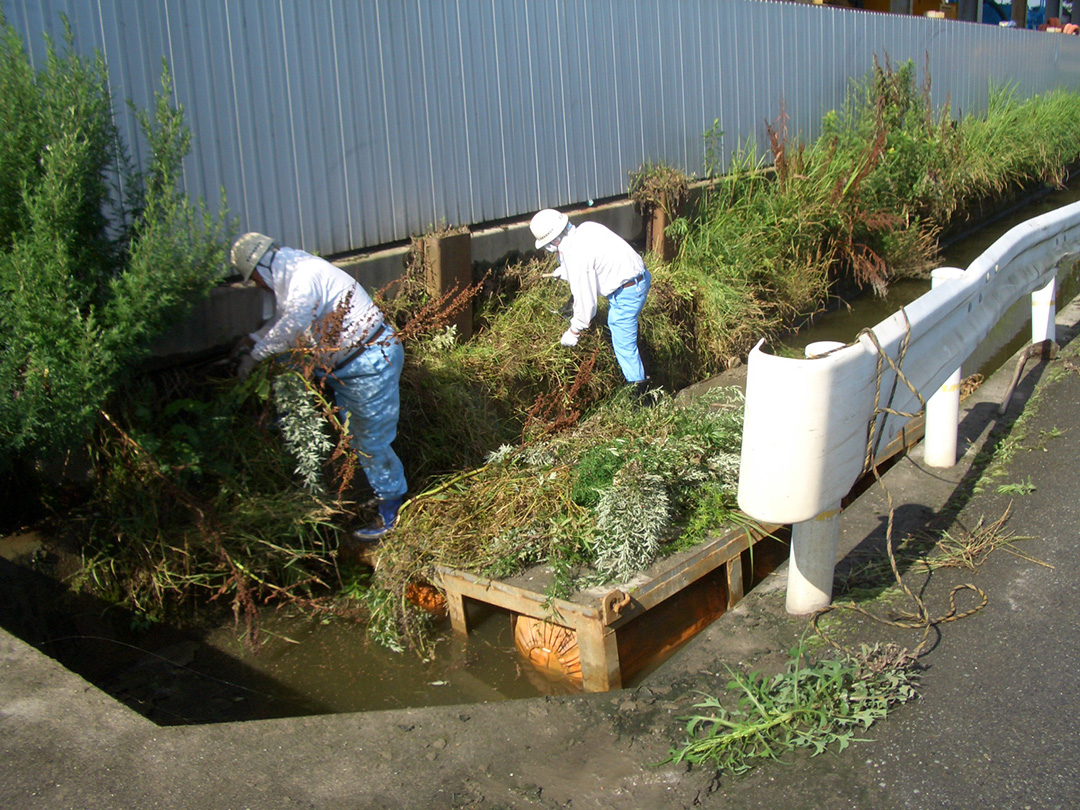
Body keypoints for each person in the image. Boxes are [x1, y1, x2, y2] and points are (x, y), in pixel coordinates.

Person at [230, 232, 407, 541]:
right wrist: (254, 339)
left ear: (260, 268)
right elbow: (282, 321)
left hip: (371, 359)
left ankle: (393, 512)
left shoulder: (304, 275)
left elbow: (292, 327)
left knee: (370, 441)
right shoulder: (292, 276)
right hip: (351, 365)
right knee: (358, 438)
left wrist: (254, 356)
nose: (259, 286)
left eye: (256, 280)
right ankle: (380, 495)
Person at [529, 209, 652, 395]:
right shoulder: (587, 228)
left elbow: (587, 303)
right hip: (639, 276)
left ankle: (641, 395)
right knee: (620, 331)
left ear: (554, 241)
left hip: (628, 291)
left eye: (548, 245)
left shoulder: (577, 255)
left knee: (623, 342)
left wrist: (574, 330)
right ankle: (640, 388)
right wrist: (567, 270)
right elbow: (593, 261)